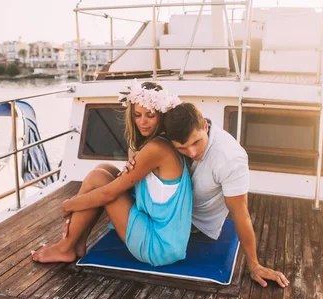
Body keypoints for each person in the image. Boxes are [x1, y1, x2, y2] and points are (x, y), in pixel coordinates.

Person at [123, 102, 289, 287]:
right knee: (103, 175)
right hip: (162, 209)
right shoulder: (171, 134)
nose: (192, 152)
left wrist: (254, 264)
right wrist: (134, 158)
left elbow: (240, 213)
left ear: (205, 126)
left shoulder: (230, 158)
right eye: (182, 148)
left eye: (196, 142)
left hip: (193, 226)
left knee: (108, 190)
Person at [32, 81, 192, 267]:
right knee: (104, 169)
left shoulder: (157, 148)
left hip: (159, 246)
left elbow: (108, 193)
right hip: (163, 235)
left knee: (99, 180)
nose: (142, 121)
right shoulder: (153, 143)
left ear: (162, 116)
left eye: (150, 115)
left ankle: (65, 247)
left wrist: (68, 204)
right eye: (137, 115)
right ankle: (77, 243)